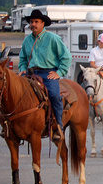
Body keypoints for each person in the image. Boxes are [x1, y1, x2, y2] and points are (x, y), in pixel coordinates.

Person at [18, 10, 72, 142]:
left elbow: (66, 57)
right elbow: (22, 59)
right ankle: (14, 126)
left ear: (43, 24)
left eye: (36, 22)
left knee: (54, 95)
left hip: (48, 73)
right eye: (31, 22)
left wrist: (59, 73)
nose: (33, 24)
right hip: (31, 73)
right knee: (16, 93)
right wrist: (23, 69)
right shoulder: (27, 41)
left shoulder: (53, 39)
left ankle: (58, 126)